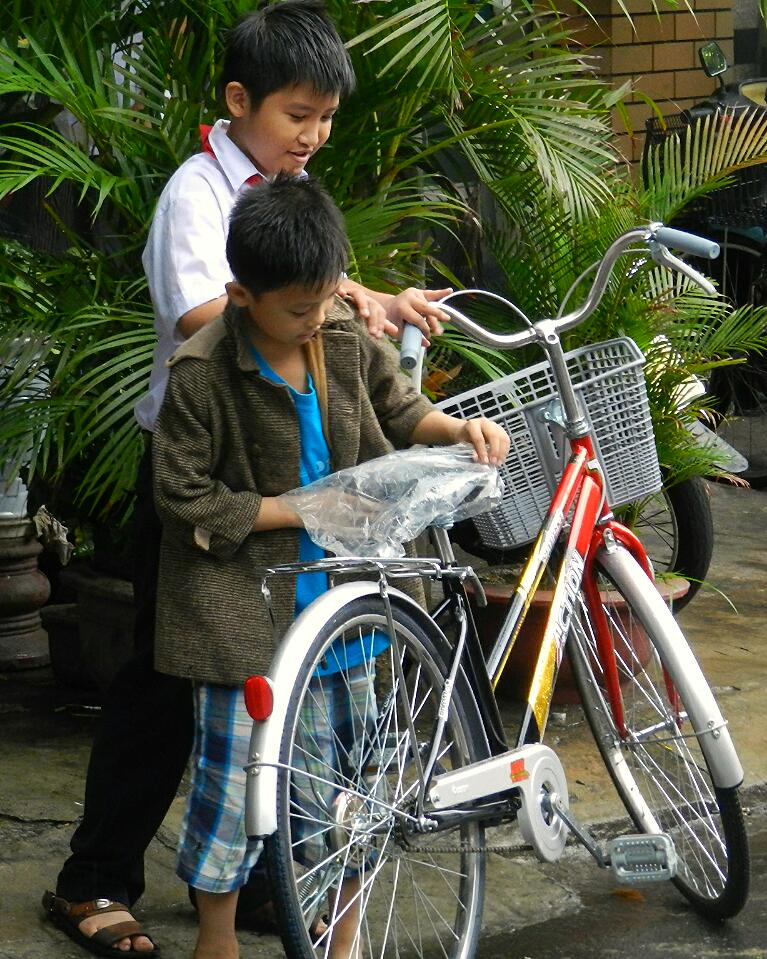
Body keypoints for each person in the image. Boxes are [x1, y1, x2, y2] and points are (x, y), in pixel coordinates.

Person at [43, 2, 451, 955]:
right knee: (161, 687)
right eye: (295, 115)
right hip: (208, 472)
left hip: (291, 475)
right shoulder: (197, 195)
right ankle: (91, 883)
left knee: (290, 694)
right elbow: (201, 316)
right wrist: (314, 308)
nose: (311, 137)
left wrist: (369, 301)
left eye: (324, 121)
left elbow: (306, 287)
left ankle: (269, 881)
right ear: (239, 101)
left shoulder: (283, 189)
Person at [151, 171, 509, 959]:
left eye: (324, 300)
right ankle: (218, 938)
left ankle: (341, 939)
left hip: (353, 601)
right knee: (234, 784)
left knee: (361, 792)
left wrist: (454, 428)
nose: (314, 320)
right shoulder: (203, 371)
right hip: (247, 612)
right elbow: (181, 493)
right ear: (241, 294)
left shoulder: (341, 329)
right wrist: (293, 508)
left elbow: (397, 406)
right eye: (295, 308)